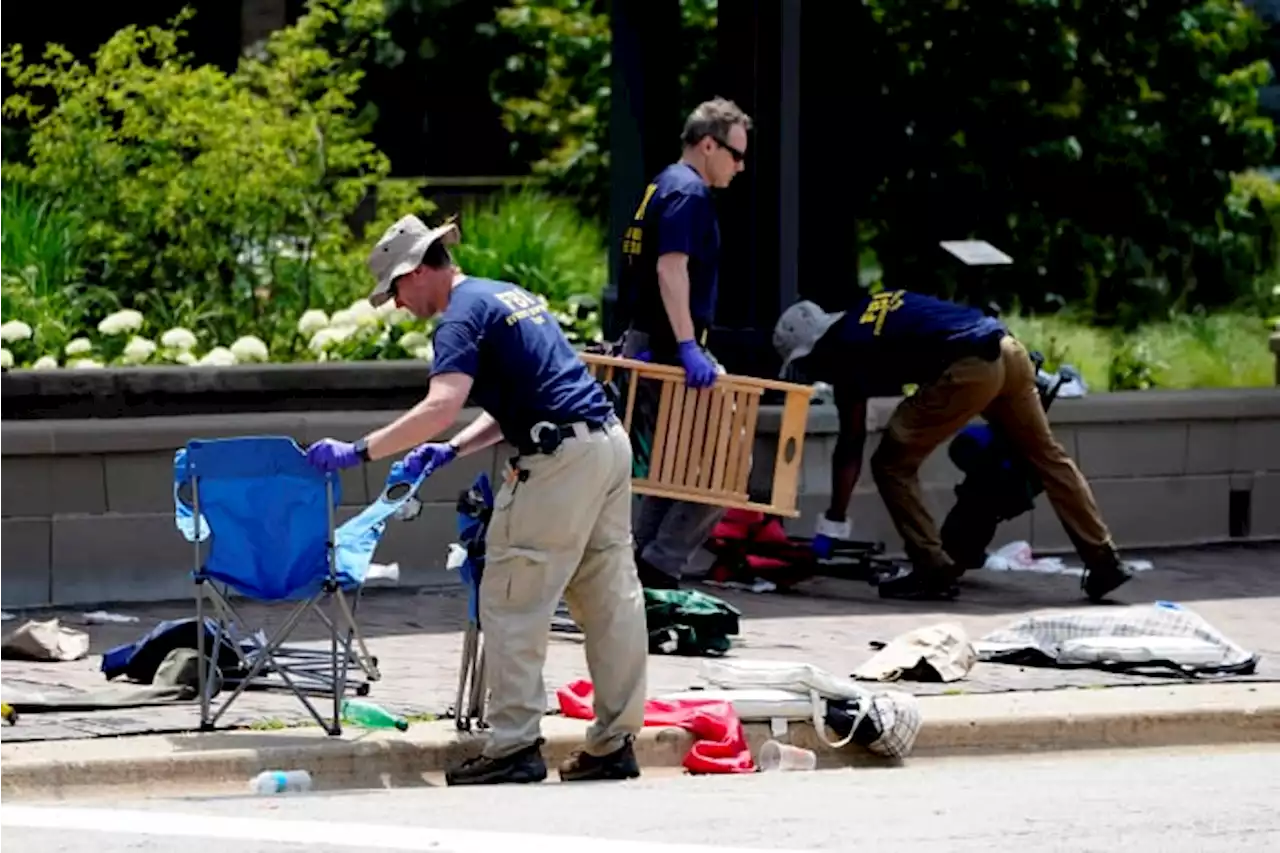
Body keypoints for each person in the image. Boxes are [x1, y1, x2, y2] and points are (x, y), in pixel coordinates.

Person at [305, 214, 649, 786]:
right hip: (604, 448)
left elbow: (441, 403)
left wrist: (359, 451)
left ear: (416, 271)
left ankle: (514, 746)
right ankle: (614, 744)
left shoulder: (459, 319)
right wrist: (454, 449)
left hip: (558, 463)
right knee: (610, 599)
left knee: (513, 596)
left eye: (394, 288)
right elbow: (525, 395)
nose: (395, 303)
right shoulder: (506, 296)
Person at [771, 292, 1134, 602]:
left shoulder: (842, 349)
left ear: (814, 347)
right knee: (1046, 457)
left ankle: (932, 568)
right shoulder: (867, 311)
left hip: (970, 365)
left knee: (891, 464)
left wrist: (834, 521)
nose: (814, 371)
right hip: (1008, 350)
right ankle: (1104, 560)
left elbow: (851, 443)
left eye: (807, 363)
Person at [617, 96, 753, 590]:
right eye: (736, 155)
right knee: (728, 460)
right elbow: (670, 268)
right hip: (672, 344)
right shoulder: (688, 193)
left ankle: (645, 565)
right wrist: (686, 345)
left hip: (654, 340)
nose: (741, 166)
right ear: (709, 145)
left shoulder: (661, 186)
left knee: (676, 464)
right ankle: (659, 562)